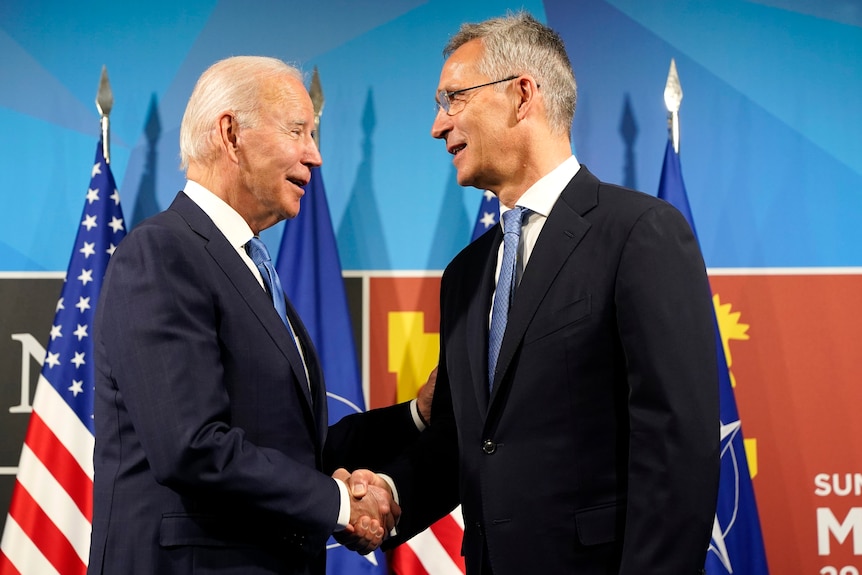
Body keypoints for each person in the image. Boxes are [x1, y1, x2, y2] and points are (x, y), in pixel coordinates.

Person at [350, 12, 720, 575]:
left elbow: (675, 448)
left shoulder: (638, 233)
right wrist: (390, 496)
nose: (437, 125)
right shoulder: (465, 275)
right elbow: (466, 441)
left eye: (452, 99)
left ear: (522, 96)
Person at [87, 56, 430, 575]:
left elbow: (290, 450)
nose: (314, 156)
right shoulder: (162, 253)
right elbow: (192, 446)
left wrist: (414, 417)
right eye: (298, 131)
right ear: (231, 134)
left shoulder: (249, 266)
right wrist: (341, 504)